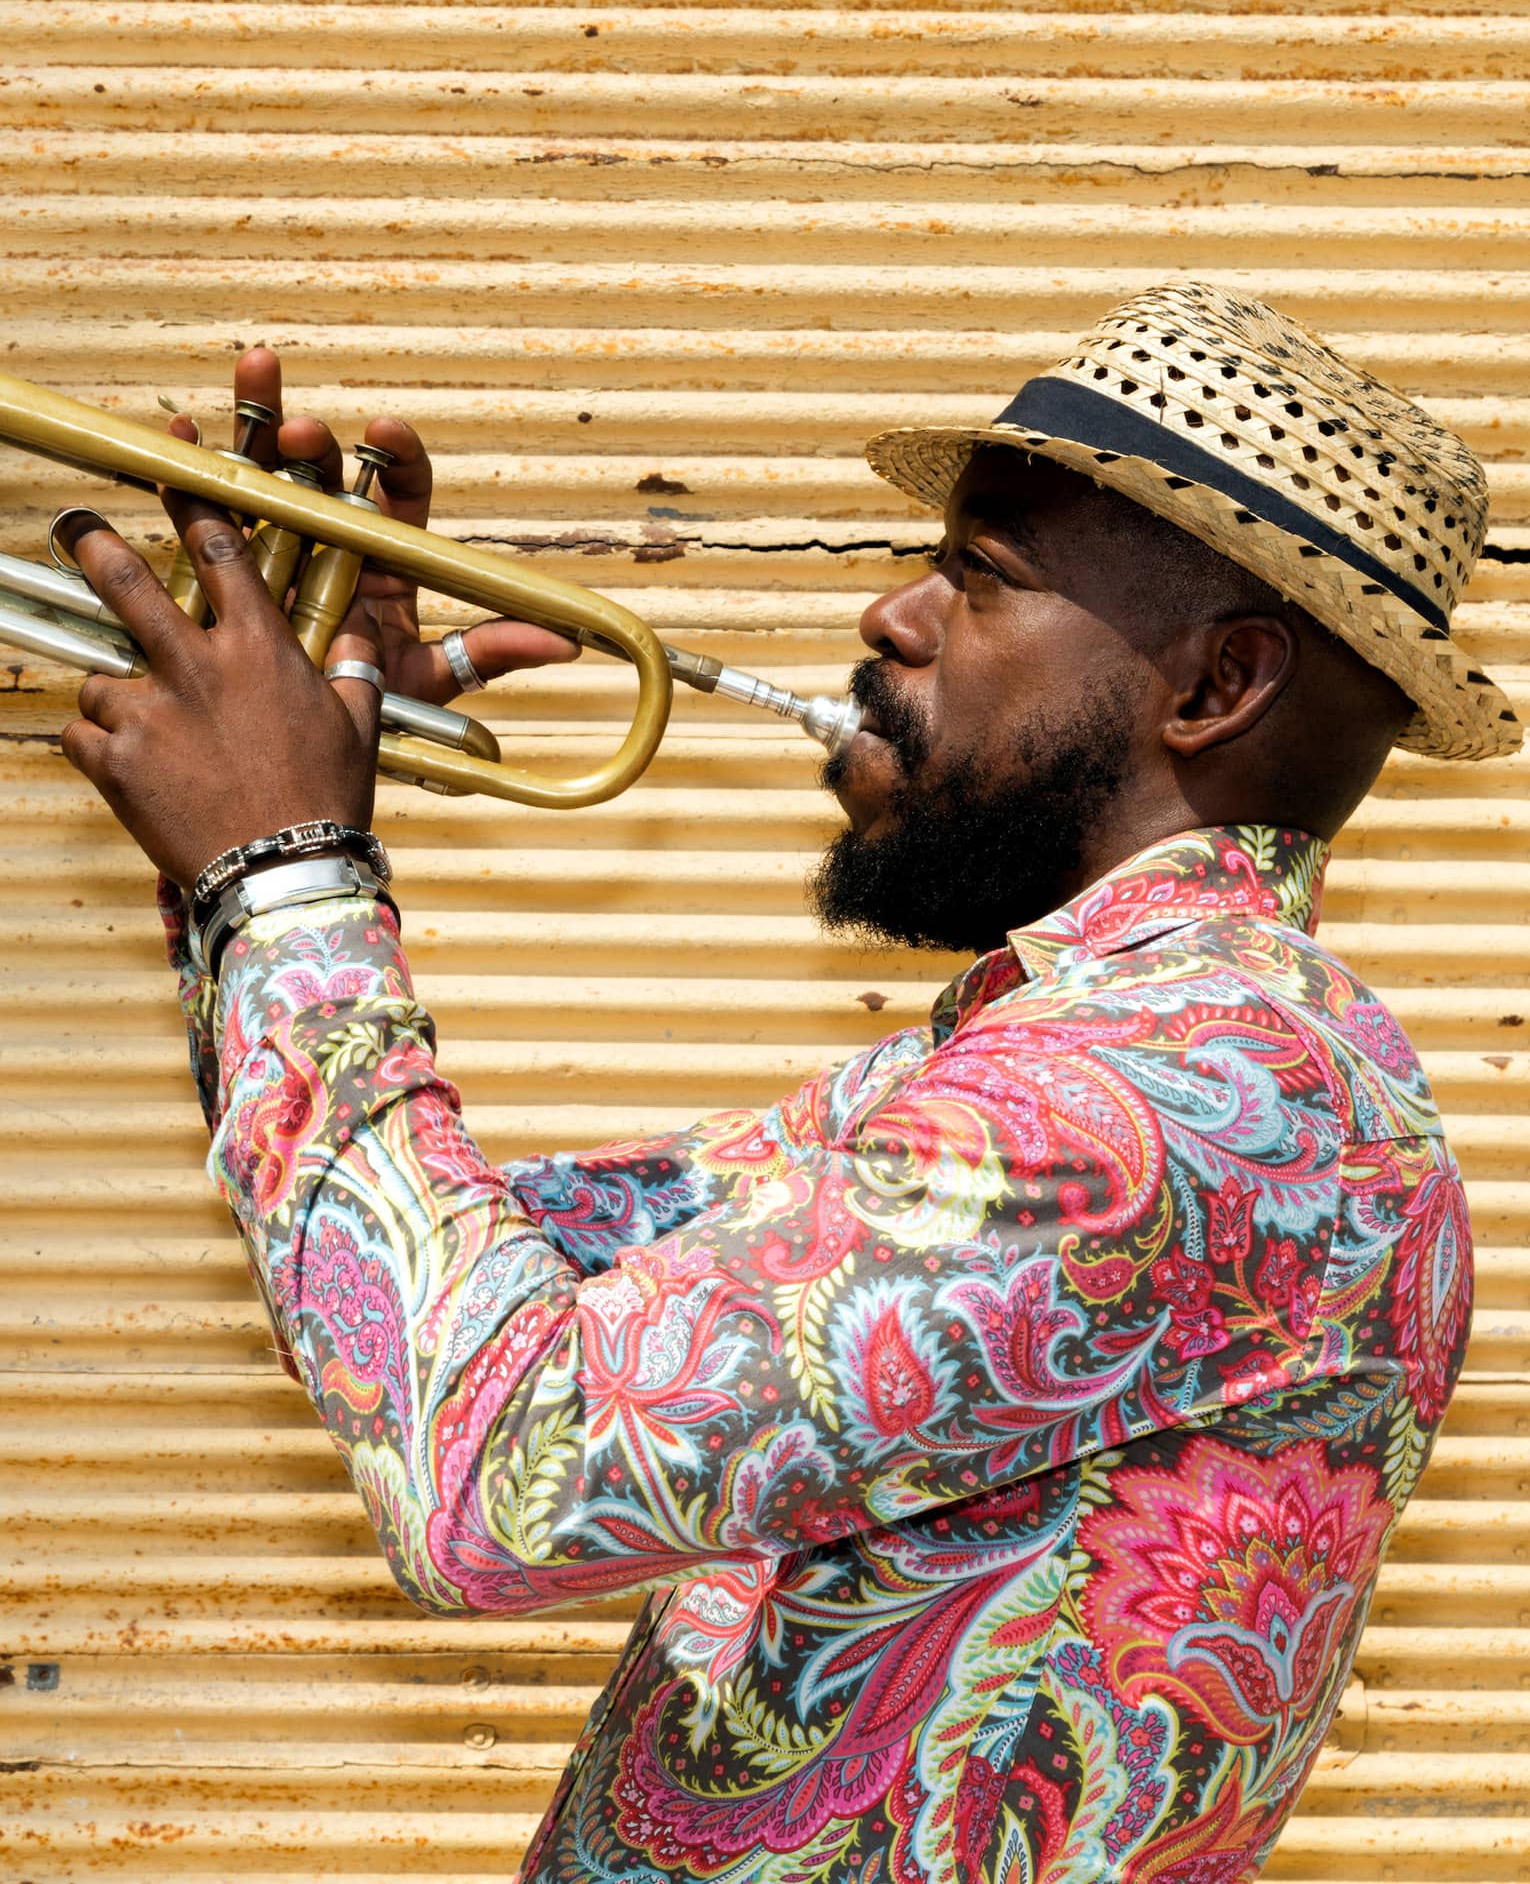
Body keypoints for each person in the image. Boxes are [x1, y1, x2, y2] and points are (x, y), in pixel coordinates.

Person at [56, 282, 1517, 1882]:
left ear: (1216, 684)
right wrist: (273, 819)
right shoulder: (1114, 1052)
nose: (891, 617)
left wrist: (282, 869)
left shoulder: (1158, 1104)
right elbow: (420, 1291)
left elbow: (485, 1461)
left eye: (979, 574)